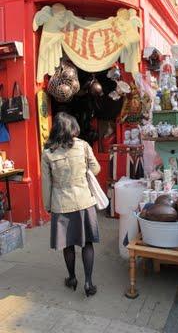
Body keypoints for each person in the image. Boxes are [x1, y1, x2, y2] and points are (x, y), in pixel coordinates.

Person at [41, 112, 101, 296]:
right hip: (84, 201)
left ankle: (72, 278)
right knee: (87, 243)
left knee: (68, 245)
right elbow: (96, 168)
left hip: (61, 204)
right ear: (72, 128)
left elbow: (46, 183)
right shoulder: (83, 146)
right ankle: (89, 283)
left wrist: (48, 205)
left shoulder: (47, 153)